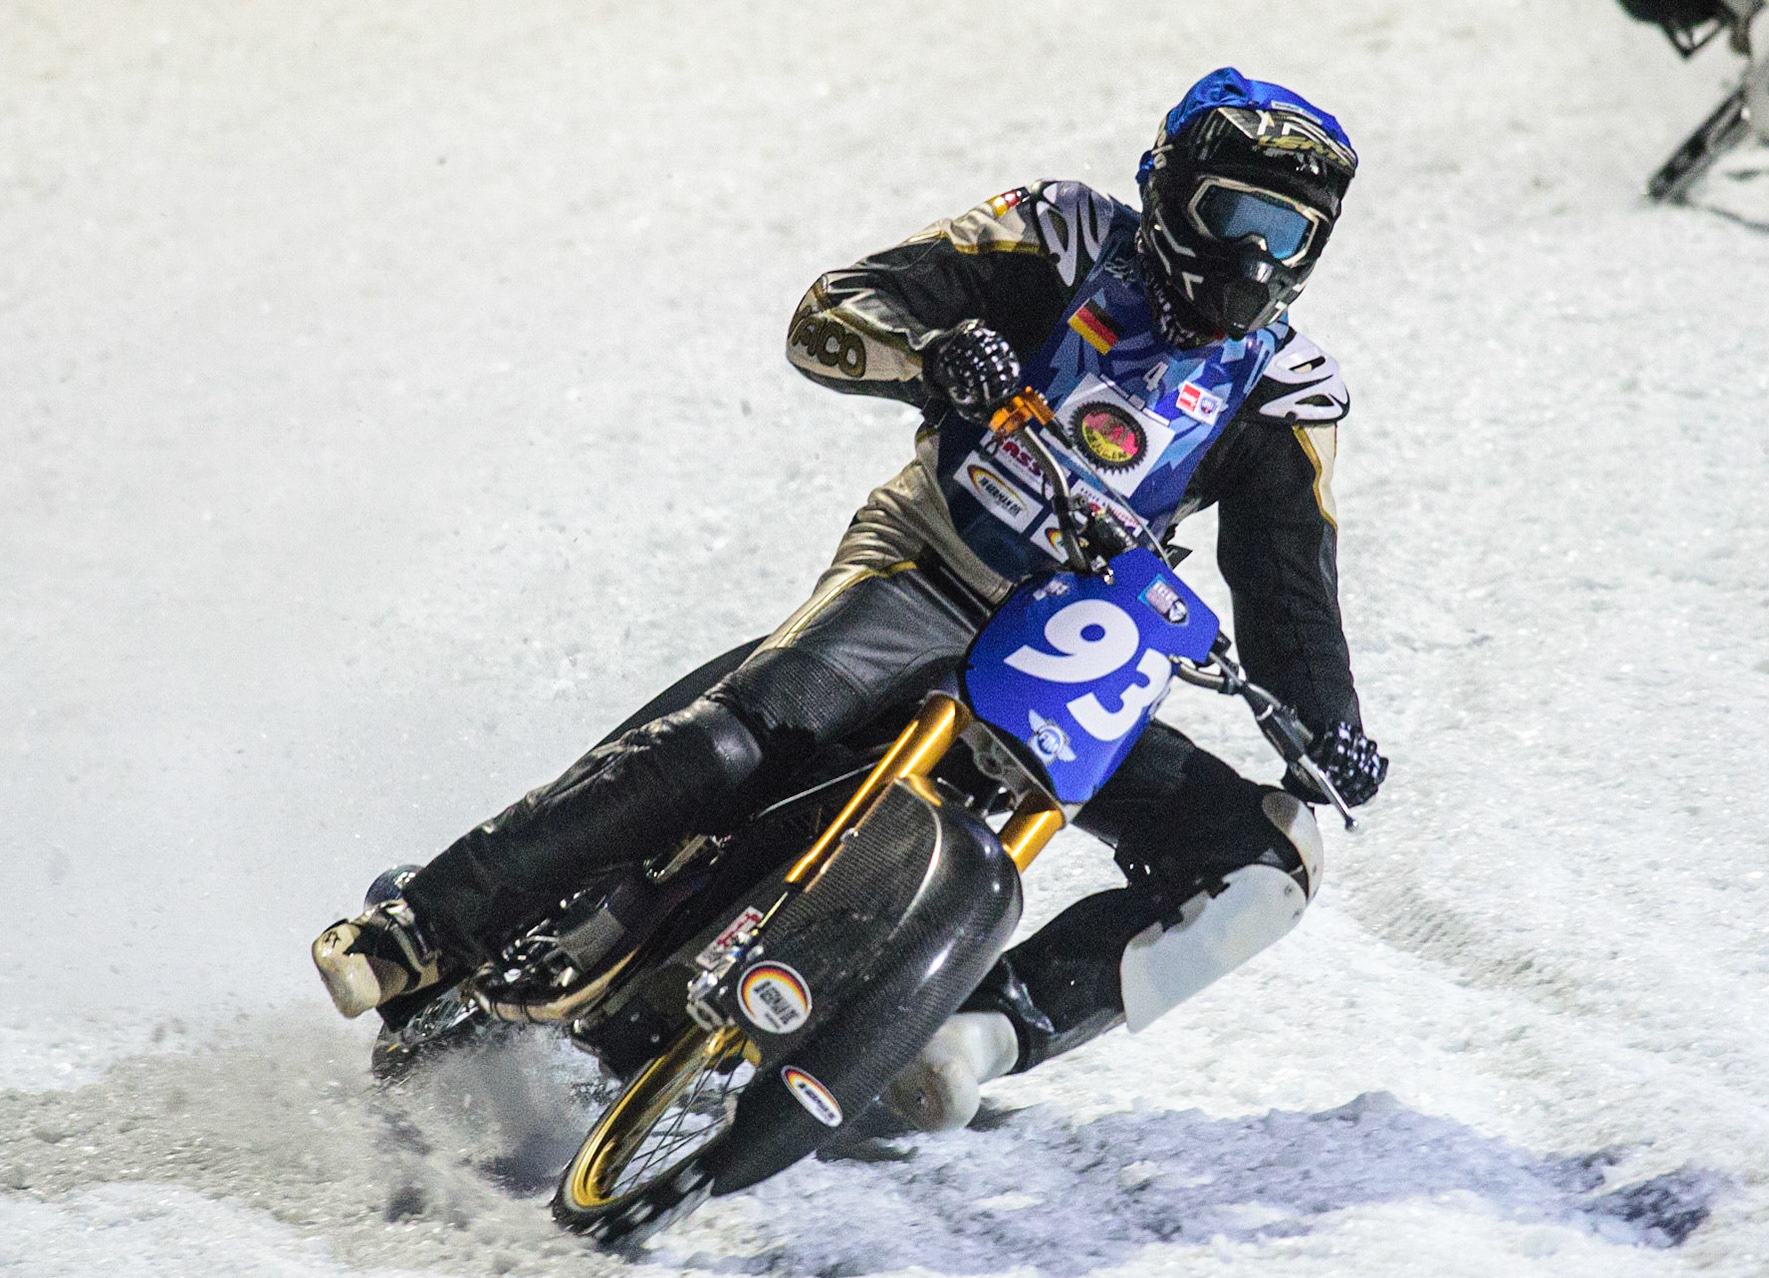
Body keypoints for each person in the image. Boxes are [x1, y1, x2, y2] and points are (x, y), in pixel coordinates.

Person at [313, 67, 1387, 1131]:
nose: (1254, 256)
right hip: (923, 565)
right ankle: (425, 930)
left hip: (1073, 655)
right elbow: (829, 315)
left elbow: (1291, 585)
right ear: (1167, 192)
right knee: (732, 746)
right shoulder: (1057, 234)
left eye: (1285, 234)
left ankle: (963, 1040)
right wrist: (932, 355)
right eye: (1234, 216)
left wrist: (1330, 728)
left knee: (1270, 860)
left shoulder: (1291, 394)